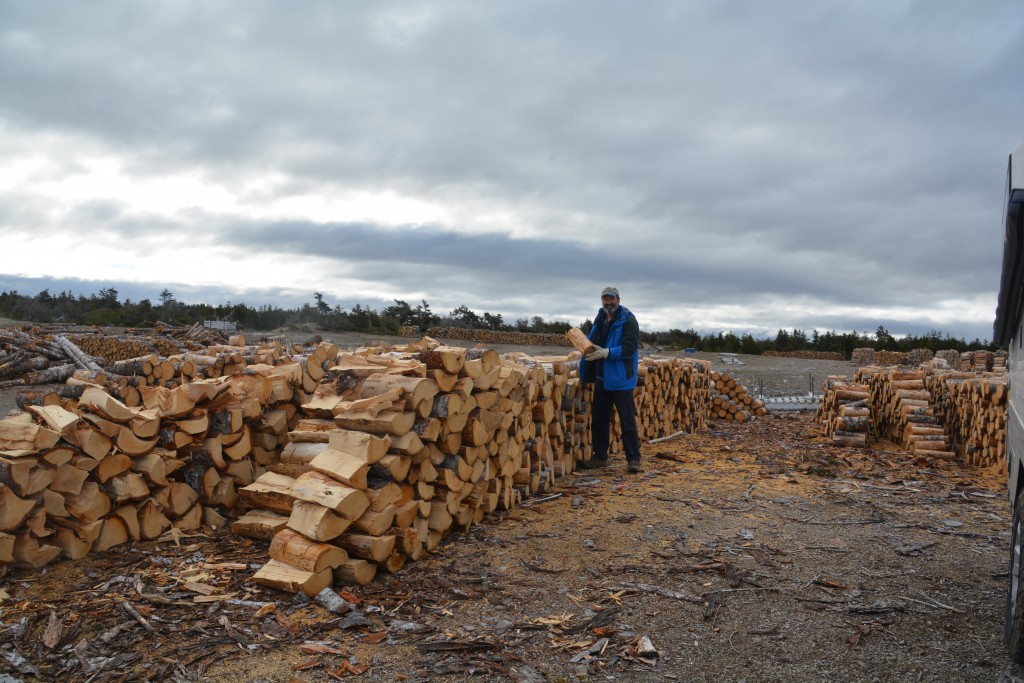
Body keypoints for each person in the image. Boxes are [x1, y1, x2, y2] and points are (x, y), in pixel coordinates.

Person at [578, 286, 642, 474]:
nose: (609, 302)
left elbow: (630, 348)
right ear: (602, 301)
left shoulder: (628, 320)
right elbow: (591, 342)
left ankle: (633, 459)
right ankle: (600, 457)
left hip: (621, 378)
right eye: (605, 299)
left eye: (611, 299)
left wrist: (607, 352)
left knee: (627, 420)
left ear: (618, 300)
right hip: (602, 377)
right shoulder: (600, 319)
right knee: (599, 419)